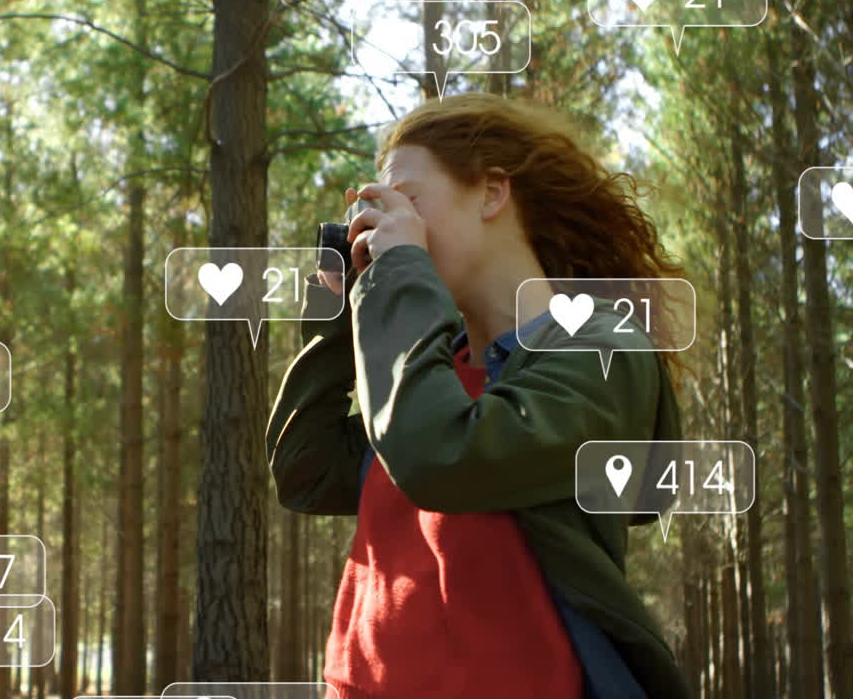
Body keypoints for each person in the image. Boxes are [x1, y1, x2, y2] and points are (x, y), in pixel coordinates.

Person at [265, 93, 693, 699]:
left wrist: (398, 276)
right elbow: (305, 471)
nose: (385, 227)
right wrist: (340, 310)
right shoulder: (434, 366)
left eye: (408, 200)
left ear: (492, 193)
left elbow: (443, 455)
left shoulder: (603, 348)